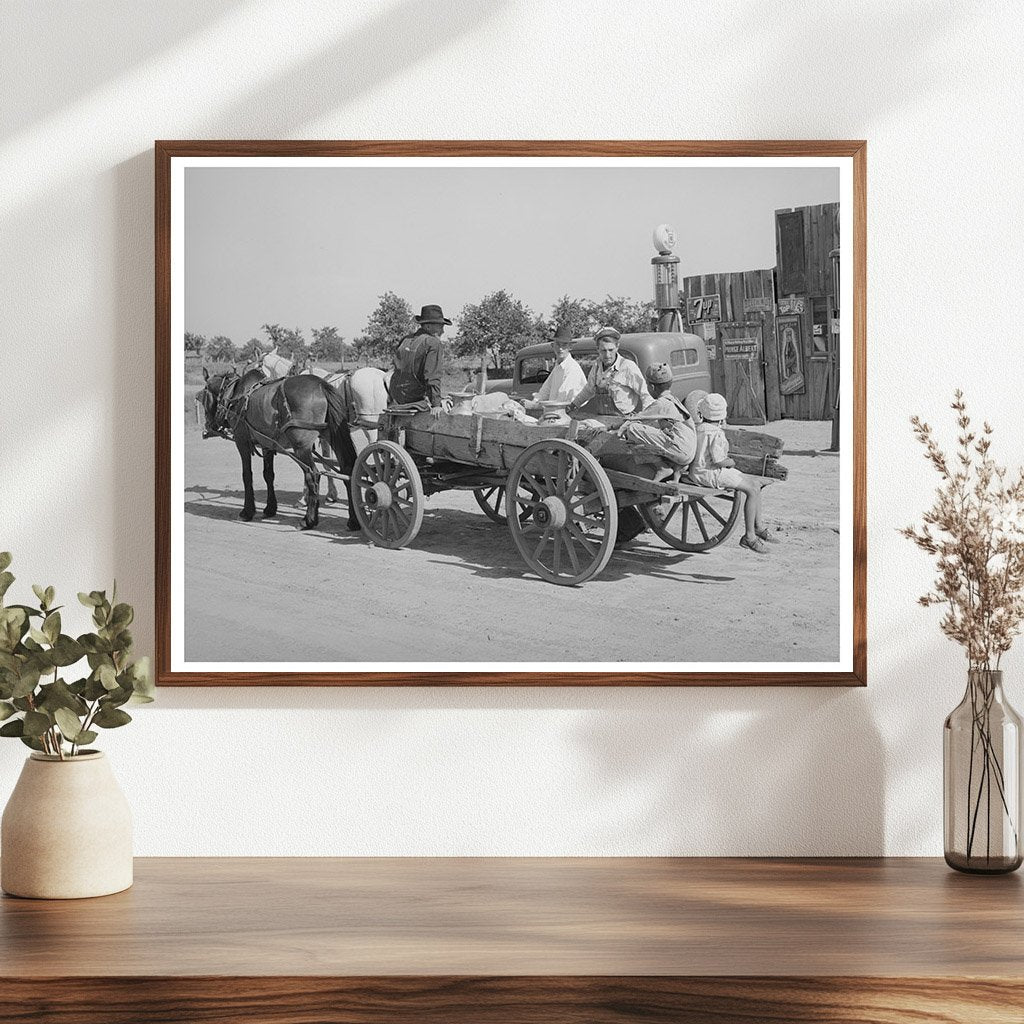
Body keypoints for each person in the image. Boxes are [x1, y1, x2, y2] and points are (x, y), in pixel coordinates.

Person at [689, 393, 778, 555]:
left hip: (700, 471)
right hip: (712, 474)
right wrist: (730, 462)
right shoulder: (716, 433)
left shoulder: (698, 429)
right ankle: (750, 536)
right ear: (722, 416)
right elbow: (719, 460)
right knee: (752, 489)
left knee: (757, 483)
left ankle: (757, 527)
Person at [616, 363, 697, 482]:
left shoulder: (661, 404)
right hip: (690, 452)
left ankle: (661, 467)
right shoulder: (674, 400)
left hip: (682, 452)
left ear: (652, 387)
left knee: (632, 429)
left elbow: (635, 419)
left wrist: (611, 427)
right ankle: (672, 465)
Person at [567, 326, 652, 418]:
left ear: (617, 347)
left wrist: (645, 417)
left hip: (624, 419)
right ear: (598, 349)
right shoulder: (596, 367)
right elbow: (588, 390)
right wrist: (574, 405)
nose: (607, 355)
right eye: (603, 350)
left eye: (611, 350)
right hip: (601, 418)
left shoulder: (628, 366)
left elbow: (645, 394)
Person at [390, 304, 453, 419]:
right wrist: (436, 404)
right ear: (428, 326)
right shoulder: (433, 343)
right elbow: (432, 376)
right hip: (415, 398)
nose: (443, 331)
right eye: (440, 327)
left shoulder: (405, 340)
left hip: (396, 396)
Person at [531, 324, 586, 407]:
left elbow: (563, 397)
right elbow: (545, 390)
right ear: (553, 346)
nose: (560, 348)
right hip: (555, 410)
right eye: (558, 344)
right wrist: (533, 403)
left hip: (566, 411)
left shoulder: (572, 368)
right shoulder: (557, 367)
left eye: (564, 345)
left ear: (570, 347)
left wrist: (538, 406)